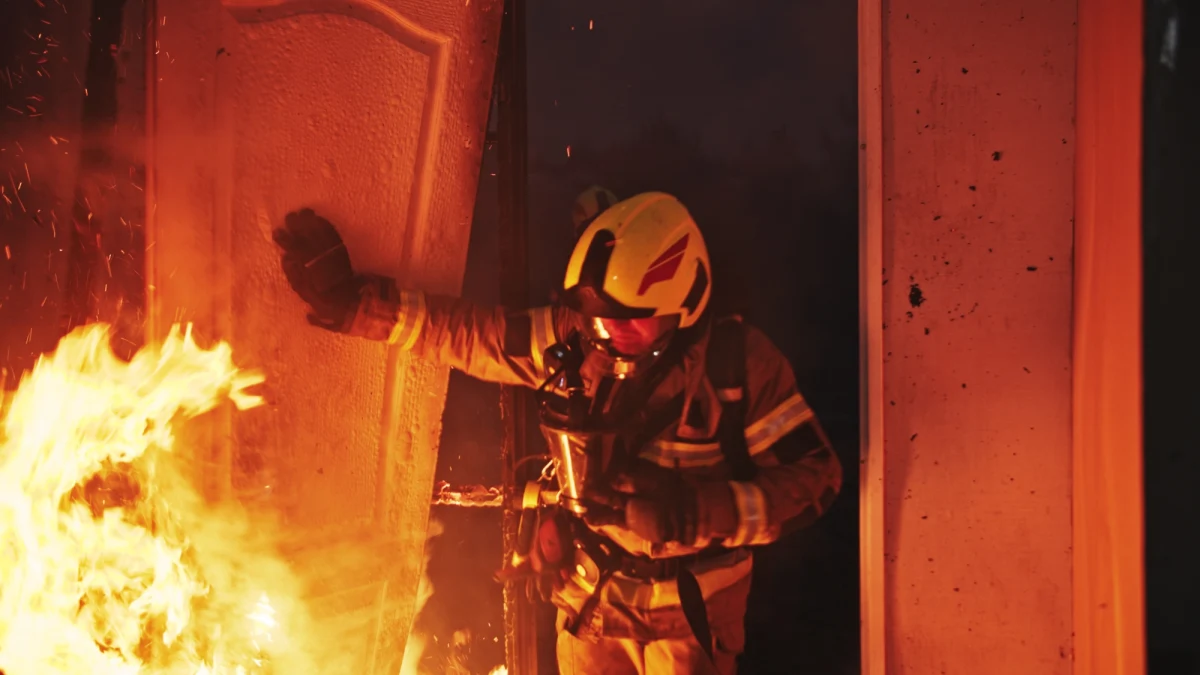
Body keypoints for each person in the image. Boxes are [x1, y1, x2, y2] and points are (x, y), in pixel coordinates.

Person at [272, 192, 842, 674]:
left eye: (631, 320)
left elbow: (818, 480)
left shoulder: (740, 367)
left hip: (692, 620)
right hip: (590, 603)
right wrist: (355, 305)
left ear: (686, 301)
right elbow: (475, 335)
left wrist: (694, 513)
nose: (610, 335)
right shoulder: (580, 339)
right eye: (599, 318)